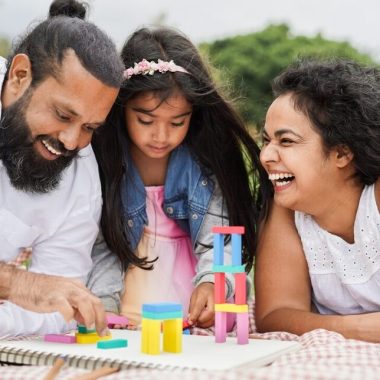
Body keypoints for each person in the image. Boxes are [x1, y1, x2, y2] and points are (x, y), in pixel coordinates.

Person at [88, 26, 271, 329]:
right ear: (121, 108)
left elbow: (220, 240)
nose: (161, 136)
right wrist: (105, 303)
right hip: (123, 303)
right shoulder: (104, 162)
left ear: (193, 114)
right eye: (145, 120)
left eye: (178, 121)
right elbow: (101, 244)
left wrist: (214, 283)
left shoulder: (205, 165)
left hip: (193, 308)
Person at [0, 0, 124, 337]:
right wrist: (17, 284)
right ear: (19, 77)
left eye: (90, 128)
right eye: (63, 115)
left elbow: (61, 306)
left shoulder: (81, 180)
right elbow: (39, 291)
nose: (72, 141)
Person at [255, 58, 380, 342]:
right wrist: (361, 329)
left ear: (342, 153)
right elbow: (275, 315)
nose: (266, 157)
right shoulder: (287, 210)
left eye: (286, 141)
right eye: (266, 141)